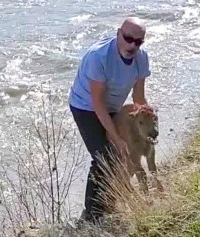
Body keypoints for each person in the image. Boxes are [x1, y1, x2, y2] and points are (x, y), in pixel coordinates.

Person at [68, 16, 151, 224]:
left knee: (127, 152)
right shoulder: (99, 57)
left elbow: (138, 98)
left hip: (113, 106)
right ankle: (91, 217)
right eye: (128, 38)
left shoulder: (141, 58)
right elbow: (98, 104)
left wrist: (147, 116)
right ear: (118, 33)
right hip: (86, 106)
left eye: (138, 41)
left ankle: (111, 201)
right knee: (105, 156)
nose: (132, 45)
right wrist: (115, 136)